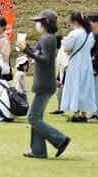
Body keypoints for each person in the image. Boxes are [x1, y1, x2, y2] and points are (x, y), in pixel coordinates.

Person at [21, 10, 71, 159]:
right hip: (45, 82)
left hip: (44, 83)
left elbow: (44, 59)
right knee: (37, 118)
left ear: (46, 23)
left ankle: (60, 139)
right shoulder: (48, 38)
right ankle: (38, 151)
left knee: (33, 118)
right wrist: (28, 49)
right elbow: (40, 55)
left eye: (39, 22)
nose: (37, 24)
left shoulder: (47, 39)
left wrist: (27, 51)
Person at [59, 12, 96, 123]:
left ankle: (76, 113)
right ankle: (84, 114)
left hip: (75, 63)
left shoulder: (74, 34)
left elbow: (67, 48)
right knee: (85, 87)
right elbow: (91, 46)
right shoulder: (89, 34)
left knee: (75, 85)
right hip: (86, 62)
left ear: (75, 22)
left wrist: (63, 42)